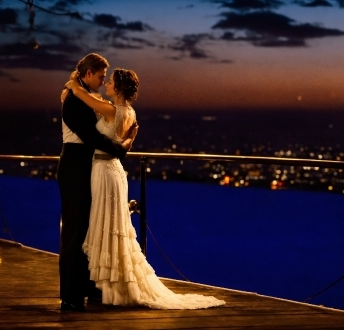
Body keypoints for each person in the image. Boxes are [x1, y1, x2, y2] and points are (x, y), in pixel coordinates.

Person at [65, 68, 226, 309]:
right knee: (115, 226)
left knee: (107, 225)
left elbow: (80, 93)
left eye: (109, 82)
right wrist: (130, 140)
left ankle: (107, 286)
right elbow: (122, 141)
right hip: (115, 170)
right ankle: (109, 286)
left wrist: (74, 83)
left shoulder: (110, 110)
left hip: (103, 170)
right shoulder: (129, 112)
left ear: (118, 88)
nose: (105, 85)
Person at [57, 53, 137, 312]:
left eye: (108, 78)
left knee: (90, 230)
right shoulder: (73, 101)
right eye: (102, 77)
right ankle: (70, 295)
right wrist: (123, 147)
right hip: (75, 167)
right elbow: (92, 137)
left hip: (90, 168)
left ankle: (90, 288)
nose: (104, 82)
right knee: (74, 232)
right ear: (88, 74)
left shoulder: (87, 97)